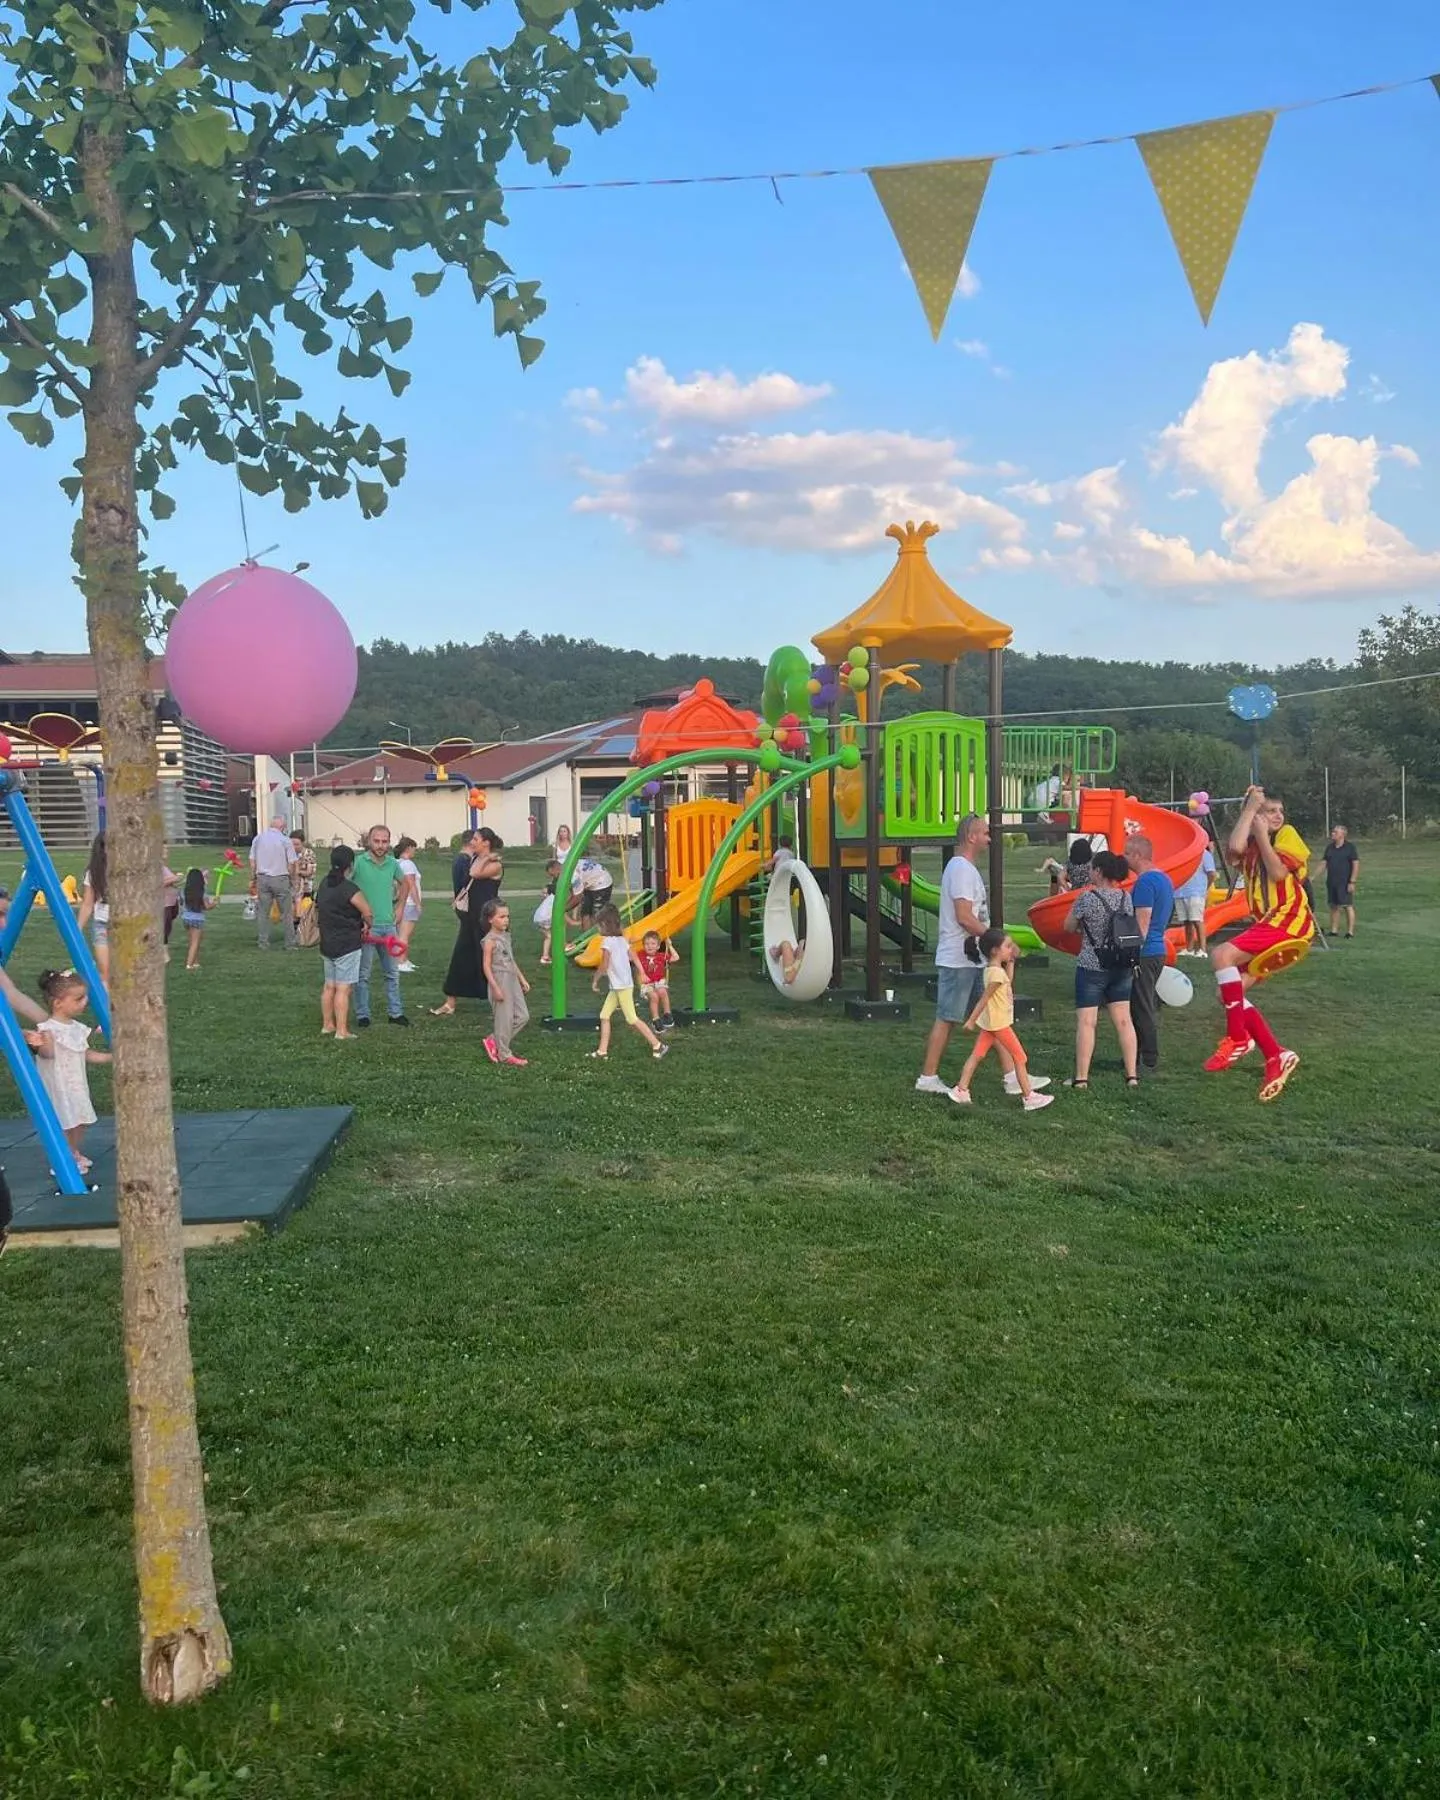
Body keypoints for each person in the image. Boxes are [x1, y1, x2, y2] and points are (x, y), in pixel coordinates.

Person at [915, 813, 1049, 1102]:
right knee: (947, 1018)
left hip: (972, 959)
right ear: (971, 836)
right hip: (958, 960)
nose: (990, 838)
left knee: (995, 1016)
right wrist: (997, 942)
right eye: (986, 833)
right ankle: (927, 1077)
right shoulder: (961, 870)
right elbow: (964, 917)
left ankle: (1013, 1078)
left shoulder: (965, 868)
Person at [1205, 787, 1312, 1101]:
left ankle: (1238, 1039)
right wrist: (1250, 811)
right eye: (1270, 811)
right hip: (1269, 924)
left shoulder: (1286, 835)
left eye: (1280, 810)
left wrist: (1263, 832)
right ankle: (1276, 1055)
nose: (1278, 816)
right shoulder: (1251, 845)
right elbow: (1233, 851)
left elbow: (1278, 873)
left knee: (1221, 954)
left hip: (1287, 921)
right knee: (1228, 993)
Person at [952, 929, 1054, 1111]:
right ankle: (1029, 1097)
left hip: (991, 1023)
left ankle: (961, 1089)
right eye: (1007, 946)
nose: (1011, 949)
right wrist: (971, 1020)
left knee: (977, 1055)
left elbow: (1008, 980)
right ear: (994, 951)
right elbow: (984, 999)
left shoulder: (993, 971)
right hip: (999, 1024)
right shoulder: (996, 974)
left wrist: (1012, 961)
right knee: (1020, 1057)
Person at [1064, 849, 1141, 1090]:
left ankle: (1081, 1078)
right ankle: (1132, 1075)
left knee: (1087, 1022)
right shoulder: (1125, 897)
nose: (1089, 872)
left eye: (1091, 868)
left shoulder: (1087, 898)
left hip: (1092, 965)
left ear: (1098, 871)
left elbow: (1068, 927)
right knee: (1124, 1021)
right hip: (1121, 964)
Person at [23, 968, 111, 1176]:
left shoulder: (77, 1028)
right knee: (64, 1122)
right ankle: (62, 1159)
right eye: (79, 999)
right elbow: (47, 1054)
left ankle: (72, 1151)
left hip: (76, 1084)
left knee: (81, 1121)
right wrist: (41, 1043)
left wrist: (111, 1058)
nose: (85, 1002)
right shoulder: (47, 1029)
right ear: (58, 1003)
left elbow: (85, 1053)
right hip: (58, 1087)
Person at [433, 828, 504, 1017]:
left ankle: (501, 1000)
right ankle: (450, 1002)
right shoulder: (475, 859)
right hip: (470, 918)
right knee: (460, 957)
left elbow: (475, 873)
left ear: (486, 843)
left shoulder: (495, 864)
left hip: (487, 920)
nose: (472, 842)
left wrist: (486, 859)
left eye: (476, 839)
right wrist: (481, 858)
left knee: (490, 962)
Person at [349, 824, 411, 1028]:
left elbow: (405, 884)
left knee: (392, 973)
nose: (380, 845)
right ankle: (363, 1015)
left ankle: (395, 1013)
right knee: (363, 974)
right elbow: (346, 886)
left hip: (388, 926)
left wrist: (400, 907)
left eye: (384, 841)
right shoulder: (359, 862)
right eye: (376, 841)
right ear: (369, 841)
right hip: (367, 927)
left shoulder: (392, 863)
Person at [589, 905, 668, 1061]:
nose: (597, 928)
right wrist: (642, 972)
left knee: (632, 1019)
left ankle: (658, 1045)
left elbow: (604, 965)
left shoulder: (607, 942)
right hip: (619, 986)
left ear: (605, 925)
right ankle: (602, 1051)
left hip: (622, 987)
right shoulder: (622, 940)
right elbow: (635, 957)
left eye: (598, 925)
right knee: (604, 1015)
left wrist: (595, 979)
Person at [1124, 834, 1175, 1074]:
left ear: (1138, 855)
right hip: (1157, 949)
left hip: (1145, 952)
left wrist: (1130, 952)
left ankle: (1148, 1058)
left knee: (1141, 1006)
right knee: (1142, 1004)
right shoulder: (1164, 878)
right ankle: (1135, 1055)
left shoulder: (1145, 883)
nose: (1124, 858)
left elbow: (1141, 925)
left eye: (1127, 853)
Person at [316, 845, 372, 1040]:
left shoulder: (324, 884)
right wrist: (367, 924)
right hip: (347, 944)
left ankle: (327, 1025)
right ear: (350, 865)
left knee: (329, 986)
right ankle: (342, 1031)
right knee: (343, 988)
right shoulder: (350, 889)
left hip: (327, 942)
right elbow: (367, 912)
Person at [480, 900, 531, 1066]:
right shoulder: (489, 941)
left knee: (523, 1016)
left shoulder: (505, 936)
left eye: (507, 916)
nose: (506, 920)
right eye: (501, 917)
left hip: (512, 979)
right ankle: (504, 1054)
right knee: (505, 1019)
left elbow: (511, 960)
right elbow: (486, 966)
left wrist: (521, 979)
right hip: (500, 980)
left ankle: (493, 1040)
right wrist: (495, 988)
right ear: (490, 919)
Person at [249, 814, 297, 949]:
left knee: (263, 912)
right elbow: (292, 863)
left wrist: (252, 878)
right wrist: (292, 879)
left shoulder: (258, 838)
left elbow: (252, 861)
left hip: (262, 878)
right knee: (286, 913)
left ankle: (263, 942)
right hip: (280, 877)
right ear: (283, 826)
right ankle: (290, 943)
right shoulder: (285, 840)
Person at [76, 831, 110, 988]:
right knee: (105, 970)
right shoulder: (93, 873)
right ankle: (106, 1000)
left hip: (125, 925)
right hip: (102, 924)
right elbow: (87, 904)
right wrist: (78, 928)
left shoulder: (127, 870)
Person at [1174, 840, 1216, 958]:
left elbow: (1212, 874)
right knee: (1187, 921)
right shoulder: (1182, 854)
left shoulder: (1204, 854)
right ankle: (1189, 948)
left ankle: (1202, 949)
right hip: (1180, 891)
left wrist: (1205, 887)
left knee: (1197, 920)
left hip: (1196, 892)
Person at [1322, 825, 1360, 938]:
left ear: (1342, 835)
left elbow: (1355, 864)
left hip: (1345, 882)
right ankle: (1334, 930)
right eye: (1333, 832)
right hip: (1332, 881)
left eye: (1335, 832)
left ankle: (1350, 932)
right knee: (1334, 906)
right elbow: (1324, 862)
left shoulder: (1350, 848)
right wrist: (1313, 876)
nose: (1332, 833)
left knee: (1347, 905)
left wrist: (1352, 881)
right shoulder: (1330, 848)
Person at [637, 929, 678, 1028]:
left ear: (658, 946)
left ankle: (667, 1015)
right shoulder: (640, 955)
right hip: (646, 984)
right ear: (643, 946)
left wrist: (670, 946)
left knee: (662, 991)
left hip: (659, 982)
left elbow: (676, 957)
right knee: (654, 996)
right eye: (647, 944)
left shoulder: (661, 956)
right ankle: (656, 1019)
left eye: (653, 944)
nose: (650, 946)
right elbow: (629, 956)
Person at [178, 867, 216, 971]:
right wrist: (214, 903)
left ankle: (195, 962)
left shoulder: (183, 890)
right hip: (197, 919)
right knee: (195, 942)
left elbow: (181, 902)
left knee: (192, 941)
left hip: (185, 917)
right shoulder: (202, 891)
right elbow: (207, 907)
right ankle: (189, 965)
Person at [394, 836, 423, 972]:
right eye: (413, 848)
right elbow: (411, 885)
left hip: (401, 902)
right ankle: (400, 961)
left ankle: (404, 959)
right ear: (408, 848)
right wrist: (418, 903)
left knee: (402, 933)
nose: (414, 851)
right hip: (409, 903)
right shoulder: (408, 864)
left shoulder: (397, 863)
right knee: (404, 934)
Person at [568, 854, 614, 938]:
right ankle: (586, 939)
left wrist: (564, 909)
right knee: (585, 912)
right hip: (591, 883)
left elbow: (577, 898)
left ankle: (601, 938)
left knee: (598, 914)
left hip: (602, 883)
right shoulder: (568, 866)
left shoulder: (573, 876)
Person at [534, 860, 562, 965]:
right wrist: (573, 922)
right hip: (545, 917)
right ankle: (564, 945)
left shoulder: (550, 896)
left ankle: (545, 956)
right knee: (558, 929)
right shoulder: (556, 898)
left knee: (548, 936)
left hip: (538, 917)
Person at [161, 851, 181, 963]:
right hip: (163, 903)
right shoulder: (156, 866)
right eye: (164, 848)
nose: (166, 851)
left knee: (167, 928)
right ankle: (164, 954)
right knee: (164, 928)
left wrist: (177, 880)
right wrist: (175, 878)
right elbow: (157, 883)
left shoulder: (164, 867)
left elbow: (169, 882)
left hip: (170, 902)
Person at [451, 828, 481, 898]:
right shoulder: (465, 860)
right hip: (467, 901)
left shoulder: (459, 858)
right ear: (471, 842)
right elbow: (468, 884)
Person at [290, 830, 317, 902]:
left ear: (303, 843)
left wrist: (297, 870)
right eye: (292, 844)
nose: (294, 847)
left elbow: (309, 872)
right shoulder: (289, 853)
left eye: (297, 844)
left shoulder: (309, 853)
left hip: (306, 889)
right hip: (292, 888)